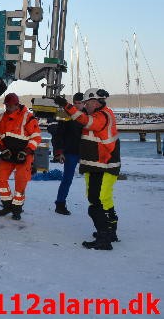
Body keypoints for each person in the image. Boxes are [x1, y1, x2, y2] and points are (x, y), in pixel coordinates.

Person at [55, 88, 120, 250]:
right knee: (103, 199)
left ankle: (104, 238)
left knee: (96, 202)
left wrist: (66, 105)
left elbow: (86, 122)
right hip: (100, 165)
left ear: (95, 102)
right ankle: (110, 231)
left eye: (86, 103)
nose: (85, 106)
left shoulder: (101, 116)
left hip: (103, 166)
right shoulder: (104, 113)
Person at [0, 93, 42, 220]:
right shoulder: (1, 118)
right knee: (0, 176)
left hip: (23, 154)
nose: (8, 108)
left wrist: (26, 151)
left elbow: (36, 137)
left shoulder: (28, 117)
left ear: (17, 104)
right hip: (8, 153)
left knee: (21, 180)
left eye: (10, 106)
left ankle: (17, 209)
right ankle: (7, 205)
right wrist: (2, 148)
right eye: (6, 105)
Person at [50, 92, 84, 215]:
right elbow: (58, 134)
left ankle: (97, 205)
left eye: (80, 103)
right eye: (75, 103)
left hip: (85, 152)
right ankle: (60, 204)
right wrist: (59, 152)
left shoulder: (88, 115)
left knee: (93, 179)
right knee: (67, 179)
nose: (77, 105)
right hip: (70, 152)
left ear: (84, 103)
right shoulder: (64, 113)